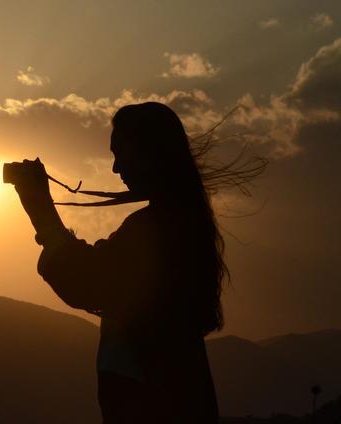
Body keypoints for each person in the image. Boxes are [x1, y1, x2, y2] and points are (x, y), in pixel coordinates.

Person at [12, 102, 229, 423]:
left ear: (151, 153)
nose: (116, 169)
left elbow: (89, 283)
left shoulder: (157, 228)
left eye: (121, 153)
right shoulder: (182, 220)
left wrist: (42, 215)